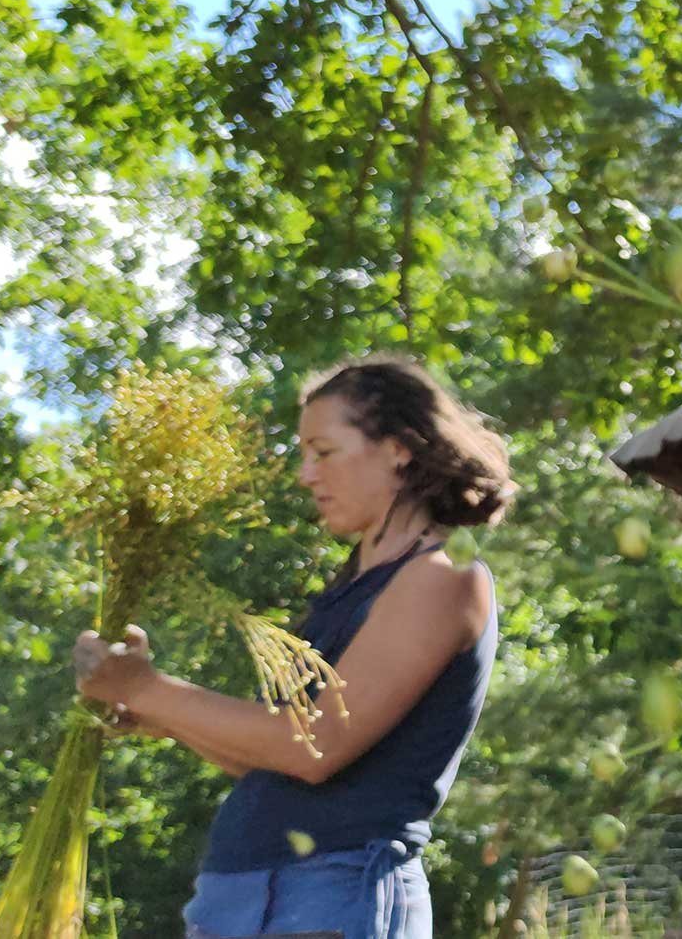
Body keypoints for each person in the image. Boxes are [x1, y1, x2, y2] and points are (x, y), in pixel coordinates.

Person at [74, 356, 510, 937]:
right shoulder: (353, 585)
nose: (306, 475)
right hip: (257, 900)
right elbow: (274, 760)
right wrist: (159, 713)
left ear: (399, 448)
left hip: (335, 896)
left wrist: (148, 688)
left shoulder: (441, 576)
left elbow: (315, 746)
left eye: (323, 452)